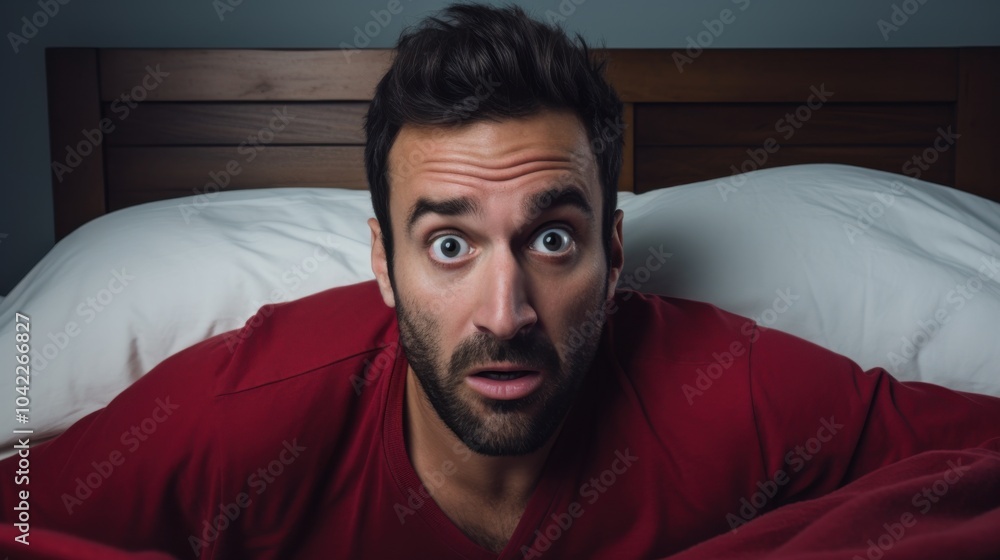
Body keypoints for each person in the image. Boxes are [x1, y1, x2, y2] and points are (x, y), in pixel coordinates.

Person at [3, 3, 1000, 559]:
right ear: (382, 268)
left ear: (612, 254)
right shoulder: (246, 411)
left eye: (553, 240)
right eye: (446, 245)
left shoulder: (720, 387)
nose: (505, 312)